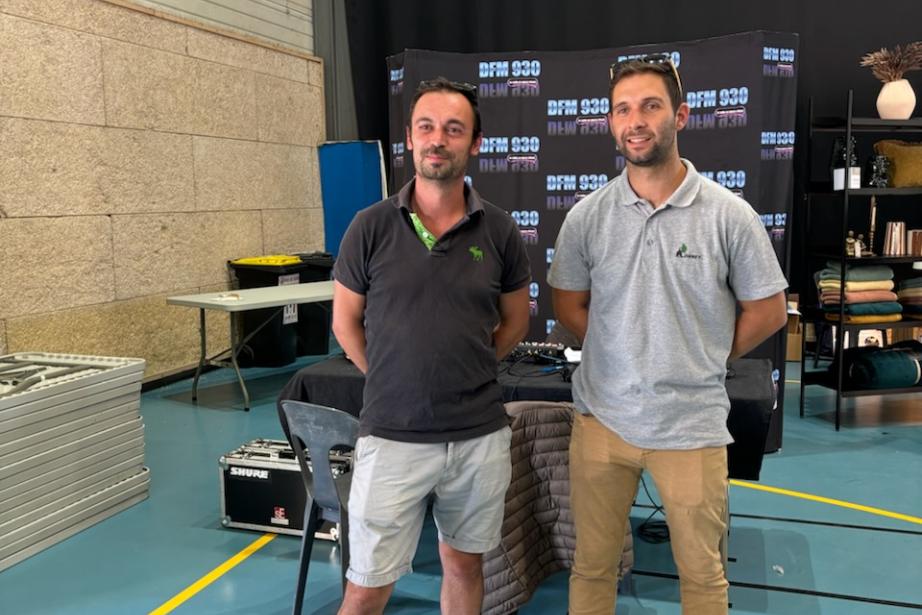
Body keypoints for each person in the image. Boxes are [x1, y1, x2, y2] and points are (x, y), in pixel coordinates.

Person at [548, 55, 788, 615]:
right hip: (602, 423)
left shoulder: (728, 215)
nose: (636, 120)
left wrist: (701, 352)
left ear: (680, 115)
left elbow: (770, 310)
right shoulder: (587, 217)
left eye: (651, 106)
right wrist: (622, 347)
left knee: (702, 579)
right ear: (610, 122)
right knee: (592, 568)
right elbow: (568, 305)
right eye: (623, 109)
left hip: (692, 428)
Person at [331, 77, 531, 615]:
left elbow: (516, 319)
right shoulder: (369, 227)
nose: (437, 139)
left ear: (475, 143)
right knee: (366, 585)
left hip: (477, 439)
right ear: (410, 138)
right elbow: (346, 322)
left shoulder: (501, 232)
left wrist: (476, 364)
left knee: (463, 566)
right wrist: (390, 373)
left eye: (453, 129)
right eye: (426, 127)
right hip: (392, 436)